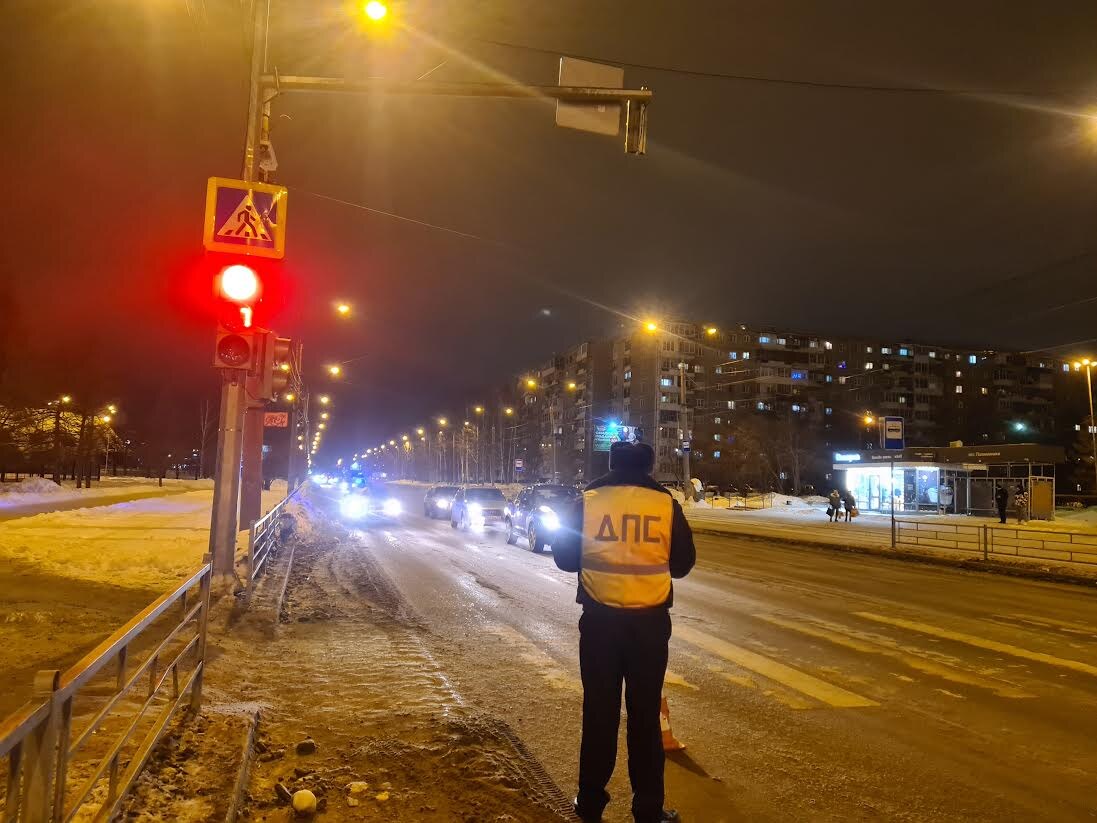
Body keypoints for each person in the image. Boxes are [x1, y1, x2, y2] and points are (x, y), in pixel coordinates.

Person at [553, 441, 696, 823]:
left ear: (612, 463)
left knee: (599, 713)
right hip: (649, 626)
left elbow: (564, 559)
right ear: (649, 467)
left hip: (600, 622)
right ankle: (647, 809)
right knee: (645, 716)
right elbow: (683, 564)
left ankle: (590, 804)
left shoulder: (590, 499)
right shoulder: (664, 503)